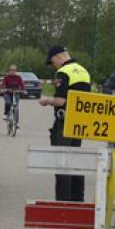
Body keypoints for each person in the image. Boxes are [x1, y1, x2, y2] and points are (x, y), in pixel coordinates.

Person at [38, 46, 91, 202]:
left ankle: (63, 201)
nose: (54, 65)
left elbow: (61, 100)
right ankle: (77, 199)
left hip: (64, 122)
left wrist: (46, 100)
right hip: (79, 122)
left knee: (62, 161)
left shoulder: (63, 72)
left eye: (52, 62)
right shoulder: (83, 71)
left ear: (57, 57)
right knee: (76, 160)